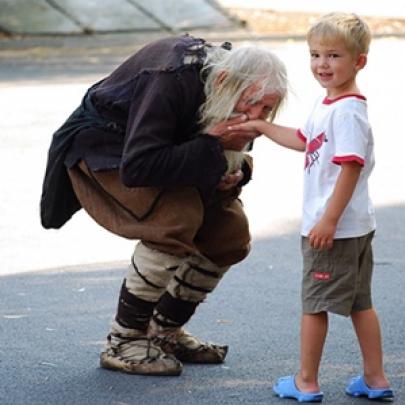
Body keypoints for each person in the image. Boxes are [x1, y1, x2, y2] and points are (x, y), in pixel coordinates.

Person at [40, 34, 288, 376]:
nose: (257, 118)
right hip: (107, 149)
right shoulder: (171, 75)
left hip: (166, 152)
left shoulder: (230, 83)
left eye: (266, 109)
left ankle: (164, 332)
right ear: (223, 82)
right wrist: (211, 150)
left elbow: (222, 149)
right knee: (175, 218)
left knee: (229, 233)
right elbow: (140, 166)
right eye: (252, 104)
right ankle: (123, 341)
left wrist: (235, 170)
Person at [228, 13, 394, 402]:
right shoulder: (329, 103)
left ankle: (307, 381)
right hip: (350, 227)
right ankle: (375, 378)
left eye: (334, 55)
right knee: (359, 303)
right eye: (315, 54)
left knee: (314, 305)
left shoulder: (348, 111)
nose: (322, 64)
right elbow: (305, 139)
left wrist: (328, 220)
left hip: (334, 228)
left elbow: (350, 166)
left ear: (359, 62)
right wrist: (262, 128)